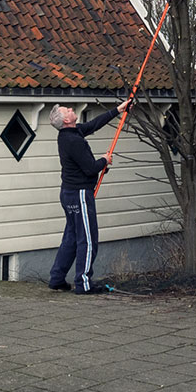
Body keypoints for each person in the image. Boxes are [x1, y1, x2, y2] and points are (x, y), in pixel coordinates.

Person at [47, 99, 132, 294]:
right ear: (66, 120)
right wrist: (105, 160)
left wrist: (117, 110)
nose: (70, 108)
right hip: (79, 195)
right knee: (88, 239)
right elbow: (90, 168)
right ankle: (83, 284)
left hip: (68, 194)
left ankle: (57, 279)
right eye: (66, 110)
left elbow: (93, 125)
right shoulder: (73, 141)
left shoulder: (69, 134)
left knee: (71, 237)